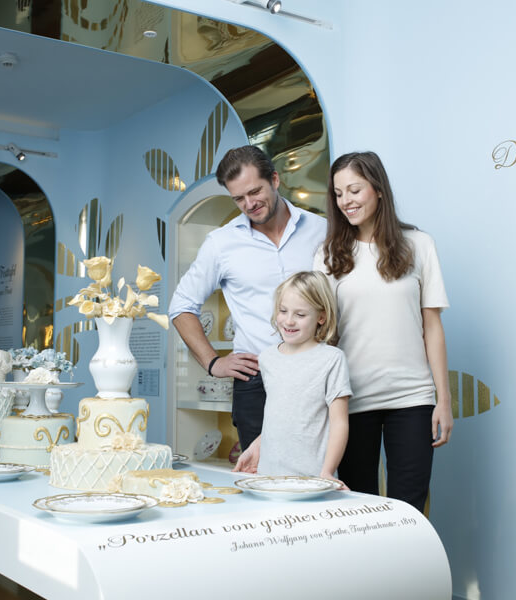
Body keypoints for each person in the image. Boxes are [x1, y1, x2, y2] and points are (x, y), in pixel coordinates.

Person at [313, 151, 453, 514]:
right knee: (358, 509)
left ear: (378, 189)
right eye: (338, 193)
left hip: (412, 398)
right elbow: (322, 336)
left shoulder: (419, 244)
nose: (346, 201)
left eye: (354, 190)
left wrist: (444, 400)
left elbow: (432, 327)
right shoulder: (328, 255)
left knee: (409, 509)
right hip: (350, 400)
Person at [168, 145, 327, 451]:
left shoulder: (321, 230)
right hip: (256, 382)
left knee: (320, 470)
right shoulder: (221, 243)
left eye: (255, 191)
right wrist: (213, 362)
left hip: (317, 374)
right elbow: (181, 306)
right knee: (259, 473)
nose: (249, 204)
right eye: (238, 198)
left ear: (275, 180)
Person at [233, 271, 351, 483]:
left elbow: (339, 423)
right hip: (268, 477)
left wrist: (327, 472)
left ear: (321, 317)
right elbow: (279, 417)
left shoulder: (332, 359)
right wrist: (255, 447)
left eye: (300, 315)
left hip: (312, 479)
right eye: (283, 311)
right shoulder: (267, 358)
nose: (289, 321)